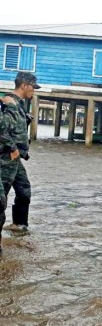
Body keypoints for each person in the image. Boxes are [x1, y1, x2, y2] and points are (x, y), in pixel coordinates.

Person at [0, 72, 41, 240]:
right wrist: (12, 148)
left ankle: (19, 225)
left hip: (16, 158)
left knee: (24, 190)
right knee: (1, 197)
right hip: (6, 157)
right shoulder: (8, 102)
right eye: (33, 87)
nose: (34, 91)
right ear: (24, 85)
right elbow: (2, 128)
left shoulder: (20, 104)